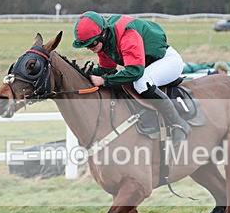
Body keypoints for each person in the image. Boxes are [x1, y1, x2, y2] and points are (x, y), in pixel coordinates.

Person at [72, 11, 190, 147]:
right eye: (86, 46)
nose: (90, 48)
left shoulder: (127, 35)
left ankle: (179, 124)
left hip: (167, 61)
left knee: (141, 83)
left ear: (103, 35)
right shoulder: (105, 42)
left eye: (92, 44)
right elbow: (107, 68)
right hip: (147, 65)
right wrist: (83, 74)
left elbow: (135, 72)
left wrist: (105, 81)